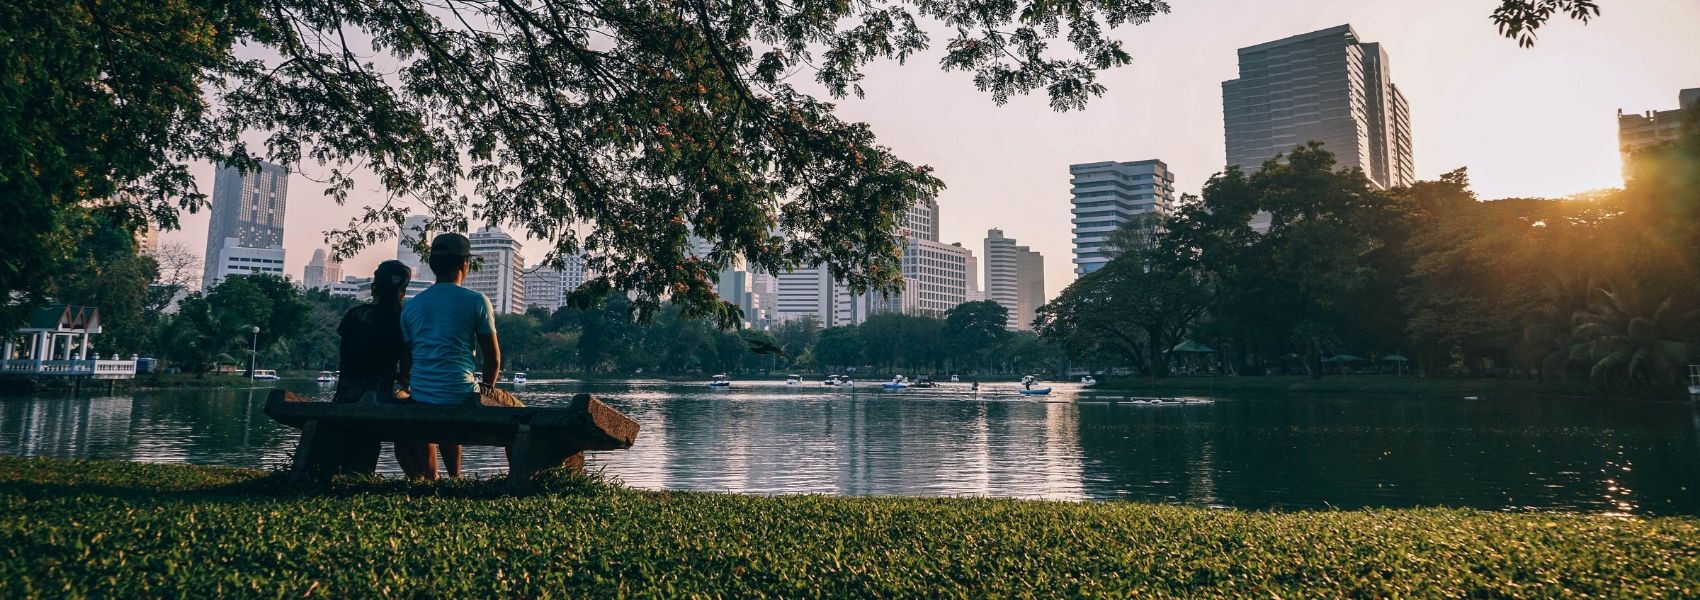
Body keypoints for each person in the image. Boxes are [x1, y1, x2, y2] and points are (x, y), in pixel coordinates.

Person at [400, 232, 523, 478]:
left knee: (450, 400)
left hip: (422, 395)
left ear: (433, 265)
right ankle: (518, 478)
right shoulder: (476, 301)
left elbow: (407, 360)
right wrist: (486, 391)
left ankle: (453, 478)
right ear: (464, 264)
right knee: (522, 416)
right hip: (463, 394)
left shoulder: (411, 306)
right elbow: (493, 359)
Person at [332, 260, 415, 473]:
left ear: (373, 287)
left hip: (346, 396)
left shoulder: (354, 315)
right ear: (403, 292)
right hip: (381, 398)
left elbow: (346, 354)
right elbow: (406, 366)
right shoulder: (403, 321)